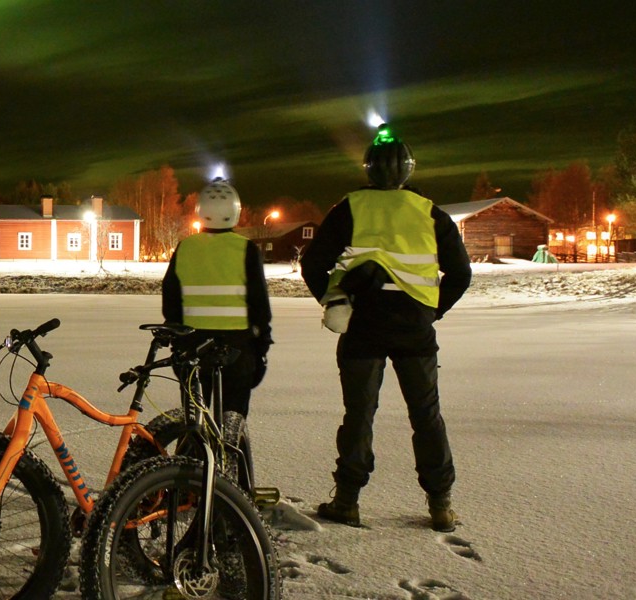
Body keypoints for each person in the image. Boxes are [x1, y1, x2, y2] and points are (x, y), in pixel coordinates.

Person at [300, 124, 472, 532]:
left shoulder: (350, 208)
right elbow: (461, 273)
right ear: (409, 171)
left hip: (364, 327)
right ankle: (441, 505)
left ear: (368, 170)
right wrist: (433, 310)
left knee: (359, 416)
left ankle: (347, 501)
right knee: (426, 416)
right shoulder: (430, 212)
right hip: (415, 329)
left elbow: (312, 264)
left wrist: (334, 298)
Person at [162, 177, 273, 418]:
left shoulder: (185, 247)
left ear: (200, 211)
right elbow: (259, 302)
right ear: (235, 212)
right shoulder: (247, 249)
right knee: (233, 419)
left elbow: (171, 299)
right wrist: (263, 339)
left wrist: (177, 338)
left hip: (193, 347)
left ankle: (192, 453)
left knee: (194, 418)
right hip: (238, 347)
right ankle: (232, 454)